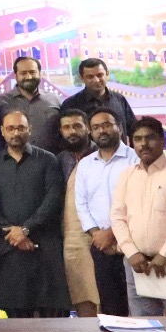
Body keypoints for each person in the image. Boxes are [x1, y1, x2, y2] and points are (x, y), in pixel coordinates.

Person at [0, 111, 69, 317]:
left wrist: (25, 229)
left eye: (21, 128)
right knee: (14, 314)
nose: (16, 133)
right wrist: (14, 233)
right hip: (9, 247)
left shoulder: (48, 160)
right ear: (2, 131)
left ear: (29, 130)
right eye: (10, 128)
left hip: (44, 246)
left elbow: (53, 199)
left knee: (51, 316)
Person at [112, 117, 166, 318]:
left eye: (150, 138)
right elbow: (117, 216)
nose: (143, 144)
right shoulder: (127, 175)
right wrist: (131, 252)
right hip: (136, 263)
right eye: (138, 139)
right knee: (144, 325)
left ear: (162, 140)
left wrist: (165, 254)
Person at [70, 109, 138, 317]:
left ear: (119, 127)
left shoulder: (135, 159)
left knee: (140, 305)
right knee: (110, 307)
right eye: (96, 127)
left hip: (133, 243)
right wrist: (97, 234)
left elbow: (138, 202)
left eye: (107, 125)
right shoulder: (85, 164)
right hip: (100, 245)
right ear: (90, 132)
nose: (102, 131)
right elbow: (81, 204)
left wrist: (113, 234)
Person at [55, 108, 102, 317]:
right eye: (66, 127)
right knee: (81, 288)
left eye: (77, 126)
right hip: (72, 232)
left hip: (103, 232)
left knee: (105, 289)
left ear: (88, 128)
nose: (72, 131)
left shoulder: (101, 154)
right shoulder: (60, 160)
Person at [0, 56, 64, 153]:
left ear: (40, 74)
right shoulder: (0, 103)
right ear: (16, 76)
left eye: (32, 72)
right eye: (23, 73)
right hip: (13, 161)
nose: (29, 77)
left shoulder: (55, 100)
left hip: (51, 160)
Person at [60, 59, 137, 141]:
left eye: (100, 75)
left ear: (107, 74)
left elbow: (134, 131)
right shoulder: (71, 104)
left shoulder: (119, 100)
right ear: (82, 78)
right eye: (90, 77)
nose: (96, 80)